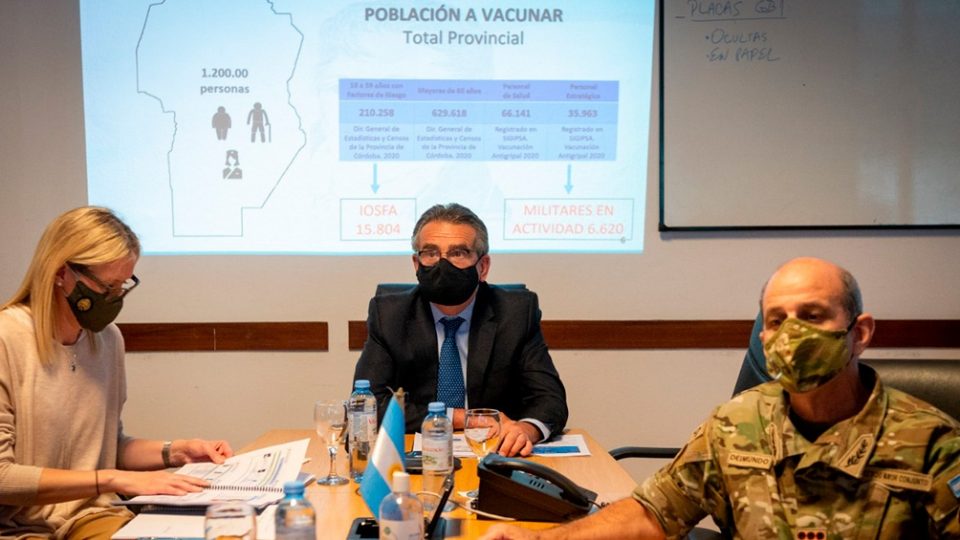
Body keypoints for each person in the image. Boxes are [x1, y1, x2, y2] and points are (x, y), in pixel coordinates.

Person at [482, 257, 960, 538]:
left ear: (860, 333)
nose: (791, 334)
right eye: (777, 321)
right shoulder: (736, 424)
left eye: (813, 316)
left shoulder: (932, 444)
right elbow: (653, 513)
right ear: (763, 338)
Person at [0, 207, 234, 538]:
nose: (114, 300)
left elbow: (109, 446)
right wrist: (111, 479)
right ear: (61, 272)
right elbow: (3, 476)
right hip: (17, 528)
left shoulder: (107, 340)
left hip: (89, 516)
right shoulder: (7, 338)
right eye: (107, 287)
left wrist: (178, 451)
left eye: (122, 286)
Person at [354, 203, 568, 457]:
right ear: (416, 264)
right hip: (416, 459)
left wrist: (525, 430)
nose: (442, 264)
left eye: (458, 253)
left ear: (483, 266)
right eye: (430, 253)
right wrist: (464, 418)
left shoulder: (515, 313)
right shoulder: (390, 315)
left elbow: (549, 400)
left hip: (495, 456)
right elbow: (367, 404)